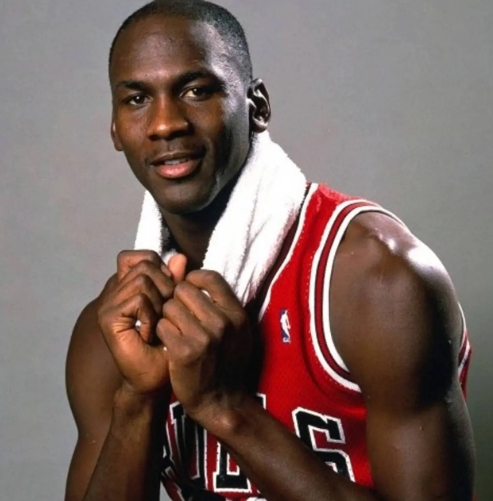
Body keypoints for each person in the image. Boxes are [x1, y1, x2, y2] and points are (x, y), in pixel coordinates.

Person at [64, 1, 476, 500]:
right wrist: (138, 400)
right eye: (136, 100)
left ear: (257, 106)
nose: (165, 123)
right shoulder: (115, 329)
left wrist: (226, 407)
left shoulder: (380, 280)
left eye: (197, 90)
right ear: (115, 127)